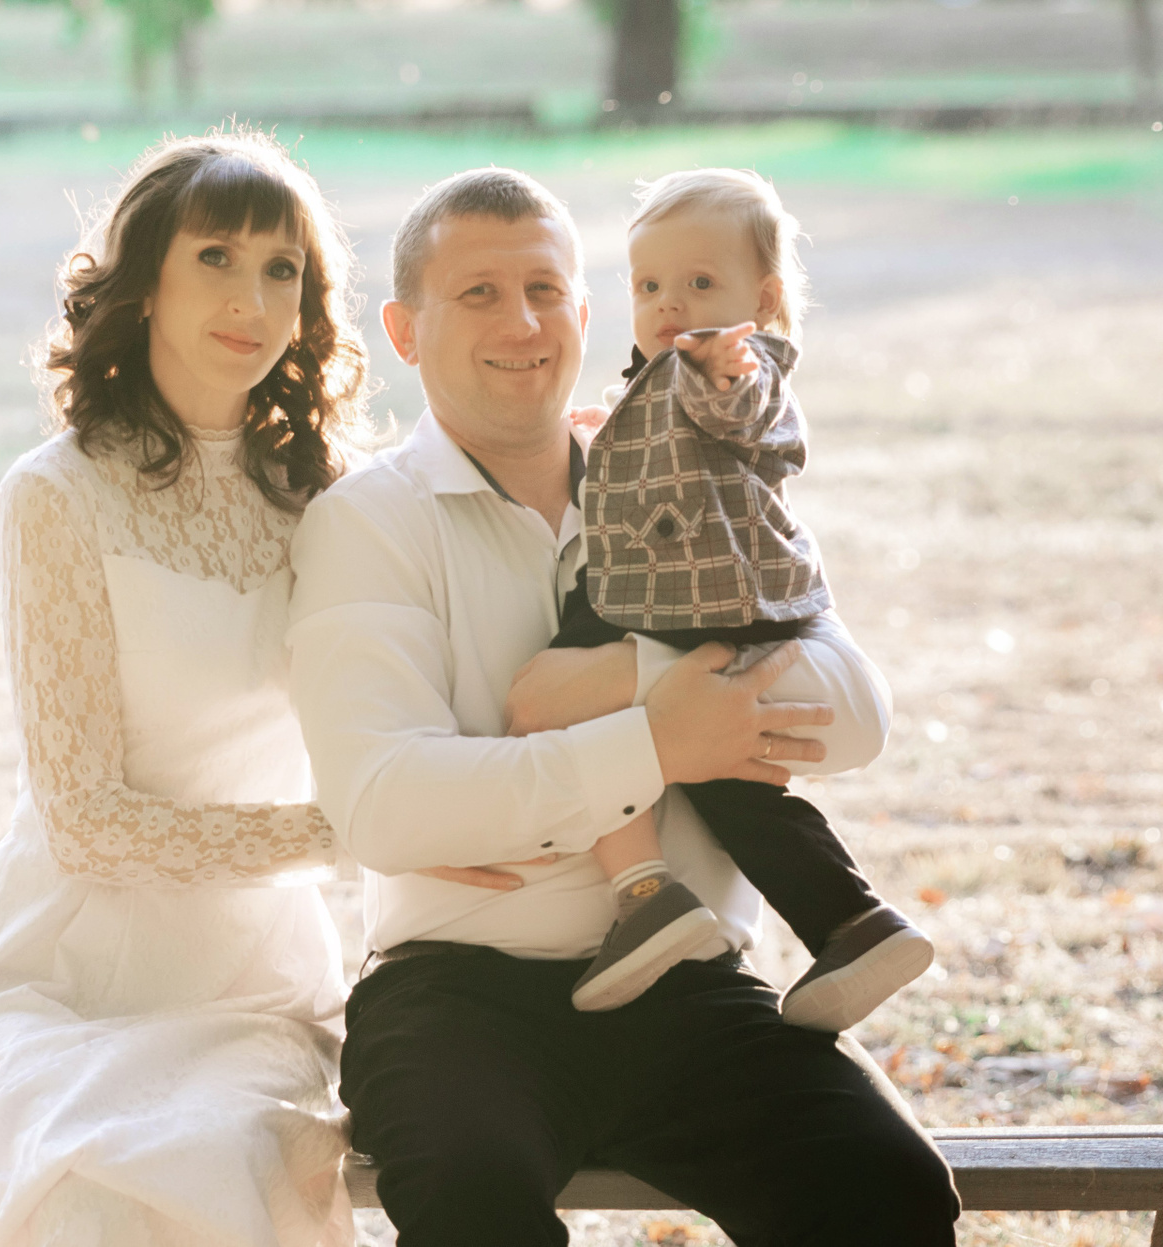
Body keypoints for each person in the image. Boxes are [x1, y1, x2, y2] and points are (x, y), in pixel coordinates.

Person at [287, 167, 959, 1246]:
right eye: (479, 293)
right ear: (405, 332)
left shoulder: (695, 477)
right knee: (470, 1194)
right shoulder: (368, 521)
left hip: (693, 992)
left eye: (545, 290)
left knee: (887, 1188)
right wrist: (662, 736)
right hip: (457, 996)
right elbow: (389, 805)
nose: (522, 323)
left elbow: (853, 711)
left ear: (586, 313)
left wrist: (630, 680)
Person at [0, 131, 369, 1247]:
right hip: (55, 971)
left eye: (282, 269)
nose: (253, 299)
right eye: (216, 257)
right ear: (146, 284)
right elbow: (84, 823)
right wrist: (344, 830)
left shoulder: (332, 498)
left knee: (219, 1160)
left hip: (250, 981)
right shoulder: (56, 498)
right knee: (81, 1191)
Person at [558, 167, 934, 1019]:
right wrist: (604, 430)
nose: (670, 303)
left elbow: (732, 408)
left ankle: (645, 889)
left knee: (562, 693)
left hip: (705, 596)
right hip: (681, 595)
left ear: (760, 302)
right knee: (728, 779)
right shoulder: (659, 376)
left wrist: (722, 367)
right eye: (649, 285)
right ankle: (849, 920)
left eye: (700, 283)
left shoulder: (737, 369)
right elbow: (667, 439)